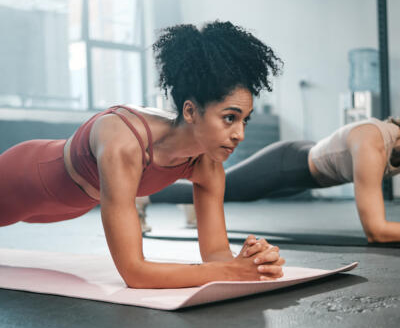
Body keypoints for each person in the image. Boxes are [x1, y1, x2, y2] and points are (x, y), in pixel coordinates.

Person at [0, 21, 286, 288]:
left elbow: (216, 253)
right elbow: (134, 272)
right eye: (229, 118)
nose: (240, 134)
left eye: (244, 120)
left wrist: (252, 262)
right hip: (21, 179)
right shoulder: (124, 142)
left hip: (68, 205)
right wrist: (228, 272)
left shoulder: (208, 166)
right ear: (190, 111)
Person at [142, 116, 400, 243]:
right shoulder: (372, 143)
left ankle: (189, 201)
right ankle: (142, 195)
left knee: (226, 191)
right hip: (286, 165)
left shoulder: (393, 143)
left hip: (305, 174)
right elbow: (376, 231)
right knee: (225, 189)